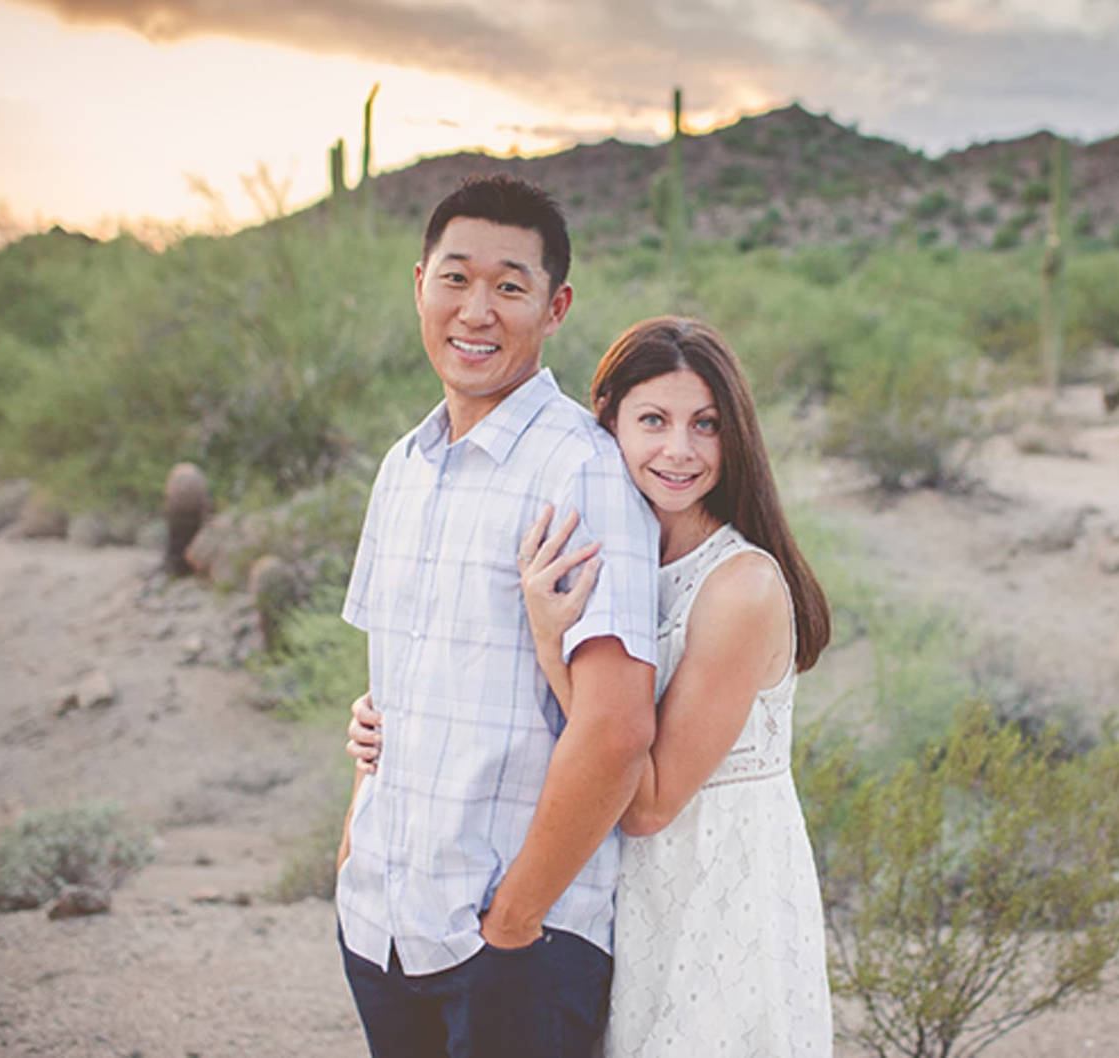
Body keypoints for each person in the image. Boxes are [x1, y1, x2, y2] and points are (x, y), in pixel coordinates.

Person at [350, 316, 836, 1056]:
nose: (679, 450)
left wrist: (551, 643)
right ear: (603, 422)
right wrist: (382, 723)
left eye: (705, 425)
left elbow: (644, 803)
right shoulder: (603, 552)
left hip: (715, 894)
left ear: (735, 436)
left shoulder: (740, 588)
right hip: (616, 893)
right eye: (653, 421)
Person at [334, 173, 662, 1058]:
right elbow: (388, 683)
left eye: (508, 286)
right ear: (419, 286)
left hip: (512, 944)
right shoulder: (403, 467)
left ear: (554, 307)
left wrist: (516, 917)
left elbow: (618, 726)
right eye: (456, 278)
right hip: (383, 925)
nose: (476, 310)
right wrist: (352, 854)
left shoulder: (579, 472)